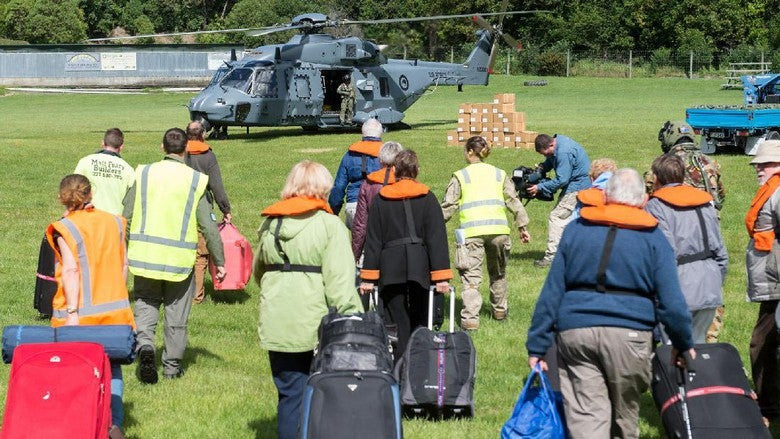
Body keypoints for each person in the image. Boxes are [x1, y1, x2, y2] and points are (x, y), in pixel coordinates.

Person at [526, 168, 695, 439]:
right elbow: (672, 301)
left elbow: (552, 291)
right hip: (630, 337)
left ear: (604, 196)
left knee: (586, 416)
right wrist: (682, 343)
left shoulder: (576, 229)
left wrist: (537, 344)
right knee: (624, 417)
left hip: (576, 333)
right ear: (644, 200)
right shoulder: (653, 237)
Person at [254, 160, 363, 439]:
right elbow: (341, 281)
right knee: (325, 394)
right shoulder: (329, 226)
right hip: (317, 324)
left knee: (290, 393)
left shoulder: (272, 224)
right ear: (323, 188)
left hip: (278, 319)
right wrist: (353, 318)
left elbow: (259, 271)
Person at [122, 128, 225, 384]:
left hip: (145, 257)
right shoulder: (194, 180)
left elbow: (126, 215)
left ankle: (145, 345)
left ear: (162, 147)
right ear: (186, 150)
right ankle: (171, 366)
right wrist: (219, 260)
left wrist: (125, 247)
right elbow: (208, 226)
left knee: (145, 303)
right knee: (176, 314)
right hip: (179, 261)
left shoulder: (143, 173)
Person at [46, 174, 135, 439]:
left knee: (77, 371)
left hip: (81, 317)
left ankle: (81, 423)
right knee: (113, 368)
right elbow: (124, 266)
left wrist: (72, 312)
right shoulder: (115, 222)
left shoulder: (66, 228)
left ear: (63, 197)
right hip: (115, 313)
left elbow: (71, 270)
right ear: (90, 194)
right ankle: (113, 423)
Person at [360, 150, 452, 358]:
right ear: (416, 171)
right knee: (421, 315)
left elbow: (373, 240)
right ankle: (419, 360)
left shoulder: (382, 199)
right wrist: (441, 276)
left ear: (394, 171)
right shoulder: (428, 197)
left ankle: (400, 363)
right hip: (420, 264)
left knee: (396, 319)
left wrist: (368, 277)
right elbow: (436, 238)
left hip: (390, 265)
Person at [440, 136, 531, 330]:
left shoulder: (461, 176)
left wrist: (433, 224)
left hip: (472, 233)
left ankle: (470, 319)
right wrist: (522, 227)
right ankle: (499, 311)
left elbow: (448, 206)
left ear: (470, 152)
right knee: (498, 273)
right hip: (499, 232)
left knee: (471, 277)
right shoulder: (499, 174)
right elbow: (513, 200)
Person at [645, 154, 727, 344]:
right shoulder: (706, 203)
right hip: (709, 286)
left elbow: (664, 254)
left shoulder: (655, 206)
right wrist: (715, 281)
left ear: (656, 178)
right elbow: (721, 252)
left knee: (672, 353)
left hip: (677, 289)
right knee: (698, 348)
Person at [745, 140, 780, 424]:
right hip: (772, 281)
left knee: (762, 343)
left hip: (777, 282)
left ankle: (769, 406)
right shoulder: (771, 191)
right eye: (758, 163)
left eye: (766, 164)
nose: (759, 168)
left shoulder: (779, 193)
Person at [185, 121, 232, 304]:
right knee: (201, 254)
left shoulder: (179, 153)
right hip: (202, 206)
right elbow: (216, 185)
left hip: (179, 207)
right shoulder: (208, 156)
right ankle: (197, 296)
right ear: (203, 134)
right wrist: (225, 209)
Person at [528, 133, 591, 267]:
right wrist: (543, 167)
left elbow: (562, 180)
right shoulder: (558, 143)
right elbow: (552, 159)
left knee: (557, 217)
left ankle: (552, 257)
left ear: (551, 144)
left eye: (546, 153)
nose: (546, 156)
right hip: (580, 184)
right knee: (573, 219)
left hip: (577, 186)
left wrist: (539, 187)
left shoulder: (563, 152)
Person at [352, 141, 404, 262]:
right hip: (403, 245)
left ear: (380, 160)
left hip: (376, 244)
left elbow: (361, 224)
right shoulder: (406, 182)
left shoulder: (368, 184)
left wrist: (355, 254)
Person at [328, 118, 383, 228]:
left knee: (358, 242)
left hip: (354, 205)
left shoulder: (349, 155)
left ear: (363, 132)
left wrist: (333, 211)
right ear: (380, 133)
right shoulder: (386, 154)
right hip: (380, 203)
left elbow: (339, 186)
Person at [73, 128, 134, 215]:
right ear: (121, 147)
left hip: (90, 215)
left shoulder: (85, 161)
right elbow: (134, 195)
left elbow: (73, 187)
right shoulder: (128, 169)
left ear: (102, 143)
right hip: (115, 220)